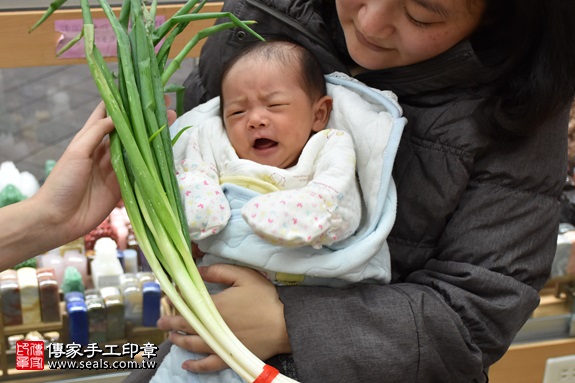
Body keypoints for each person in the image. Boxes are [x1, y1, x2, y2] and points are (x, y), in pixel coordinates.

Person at [125, 1, 575, 382]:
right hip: (196, 348)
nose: (371, 22)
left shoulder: (518, 105)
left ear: (498, 18)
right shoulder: (263, 13)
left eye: (421, 15)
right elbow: (194, 147)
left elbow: (475, 315)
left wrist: (288, 323)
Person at [152, 39, 403, 383]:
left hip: (306, 291)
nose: (255, 119)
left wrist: (283, 214)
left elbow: (338, 204)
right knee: (184, 371)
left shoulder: (329, 145)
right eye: (237, 112)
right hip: (221, 306)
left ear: (318, 113)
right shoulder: (215, 141)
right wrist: (199, 209)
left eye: (275, 105)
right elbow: (194, 173)